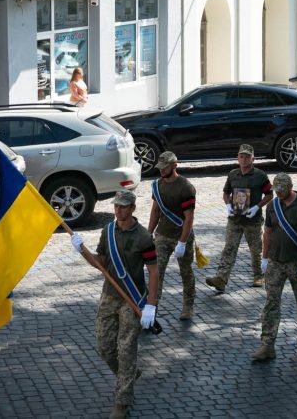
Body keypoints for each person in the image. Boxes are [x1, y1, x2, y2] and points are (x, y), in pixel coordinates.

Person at [71, 190, 158, 419]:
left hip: (132, 299)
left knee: (126, 350)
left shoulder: (144, 238)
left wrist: (150, 305)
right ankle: (128, 374)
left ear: (132, 208)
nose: (118, 210)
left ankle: (122, 401)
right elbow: (100, 263)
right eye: (116, 206)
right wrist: (82, 250)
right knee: (105, 346)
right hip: (109, 296)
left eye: (123, 206)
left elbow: (154, 271)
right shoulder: (107, 231)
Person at [252, 173, 297, 361]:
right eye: (276, 190)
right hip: (276, 262)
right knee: (271, 303)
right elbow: (268, 232)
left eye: (282, 190)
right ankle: (267, 345)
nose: (279, 194)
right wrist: (264, 257)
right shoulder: (272, 206)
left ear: (290, 187)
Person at [205, 144, 273, 292]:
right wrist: (228, 205)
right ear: (238, 158)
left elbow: (270, 194)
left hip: (252, 221)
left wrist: (257, 207)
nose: (244, 159)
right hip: (235, 220)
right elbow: (226, 193)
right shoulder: (233, 174)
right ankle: (221, 279)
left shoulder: (260, 175)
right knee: (229, 248)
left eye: (247, 157)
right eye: (241, 156)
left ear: (253, 159)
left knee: (256, 250)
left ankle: (259, 275)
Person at [146, 151, 197, 320]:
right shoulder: (157, 186)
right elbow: (155, 211)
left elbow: (189, 218)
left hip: (182, 235)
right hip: (162, 235)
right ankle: (151, 307)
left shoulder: (186, 188)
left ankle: (188, 305)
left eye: (165, 166)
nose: (161, 170)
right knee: (156, 272)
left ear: (174, 165)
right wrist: (148, 233)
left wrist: (182, 242)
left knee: (186, 271)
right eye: (160, 167)